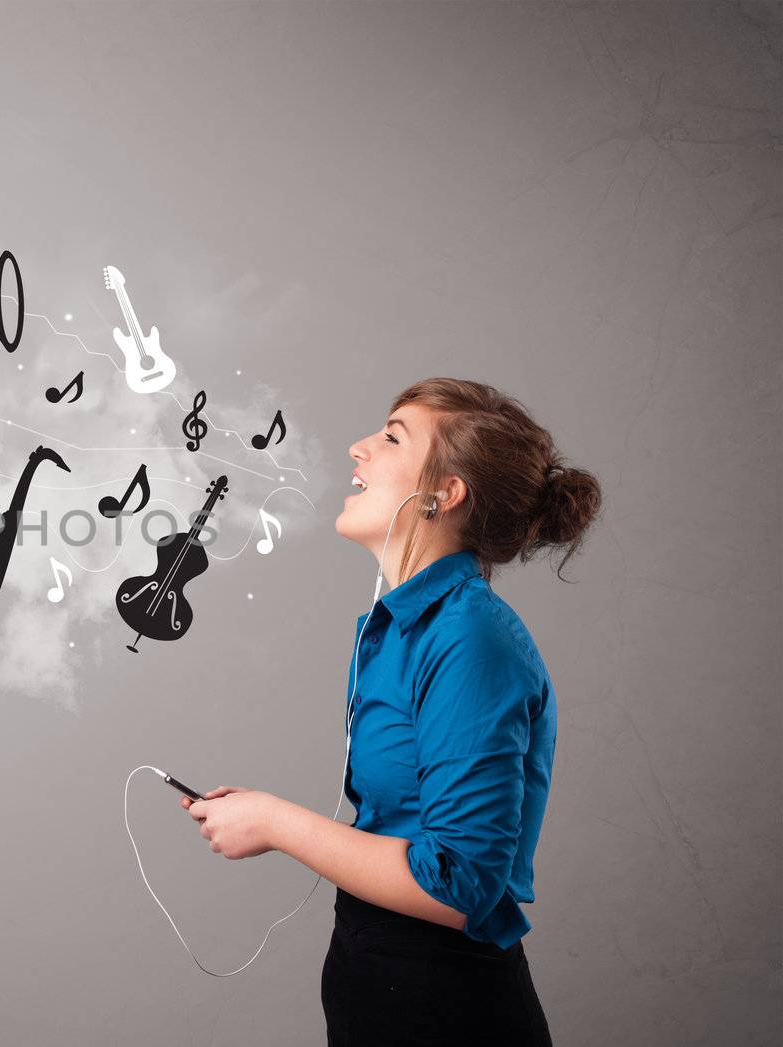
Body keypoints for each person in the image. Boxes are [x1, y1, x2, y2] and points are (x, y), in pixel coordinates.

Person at [180, 378, 601, 1045]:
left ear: (444, 492)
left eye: (392, 436)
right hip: (382, 990)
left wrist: (274, 821)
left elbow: (456, 883)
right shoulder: (406, 626)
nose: (359, 448)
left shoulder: (469, 639)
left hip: (447, 1010)